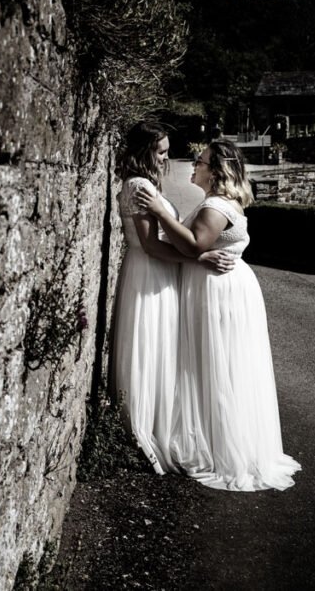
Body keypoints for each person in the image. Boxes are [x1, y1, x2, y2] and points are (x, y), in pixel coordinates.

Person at [135, 139, 301, 491]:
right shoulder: (223, 201)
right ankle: (223, 442)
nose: (194, 164)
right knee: (224, 367)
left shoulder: (213, 206)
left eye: (201, 161)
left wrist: (161, 213)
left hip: (218, 293)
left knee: (216, 366)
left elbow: (194, 245)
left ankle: (222, 451)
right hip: (227, 289)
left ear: (216, 170)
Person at [113, 123, 233, 475]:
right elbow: (150, 244)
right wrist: (199, 257)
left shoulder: (148, 185)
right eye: (161, 152)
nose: (166, 159)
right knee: (149, 347)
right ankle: (142, 430)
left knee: (162, 349)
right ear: (143, 152)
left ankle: (158, 422)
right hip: (148, 273)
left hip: (159, 272)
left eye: (166, 151)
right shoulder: (137, 186)